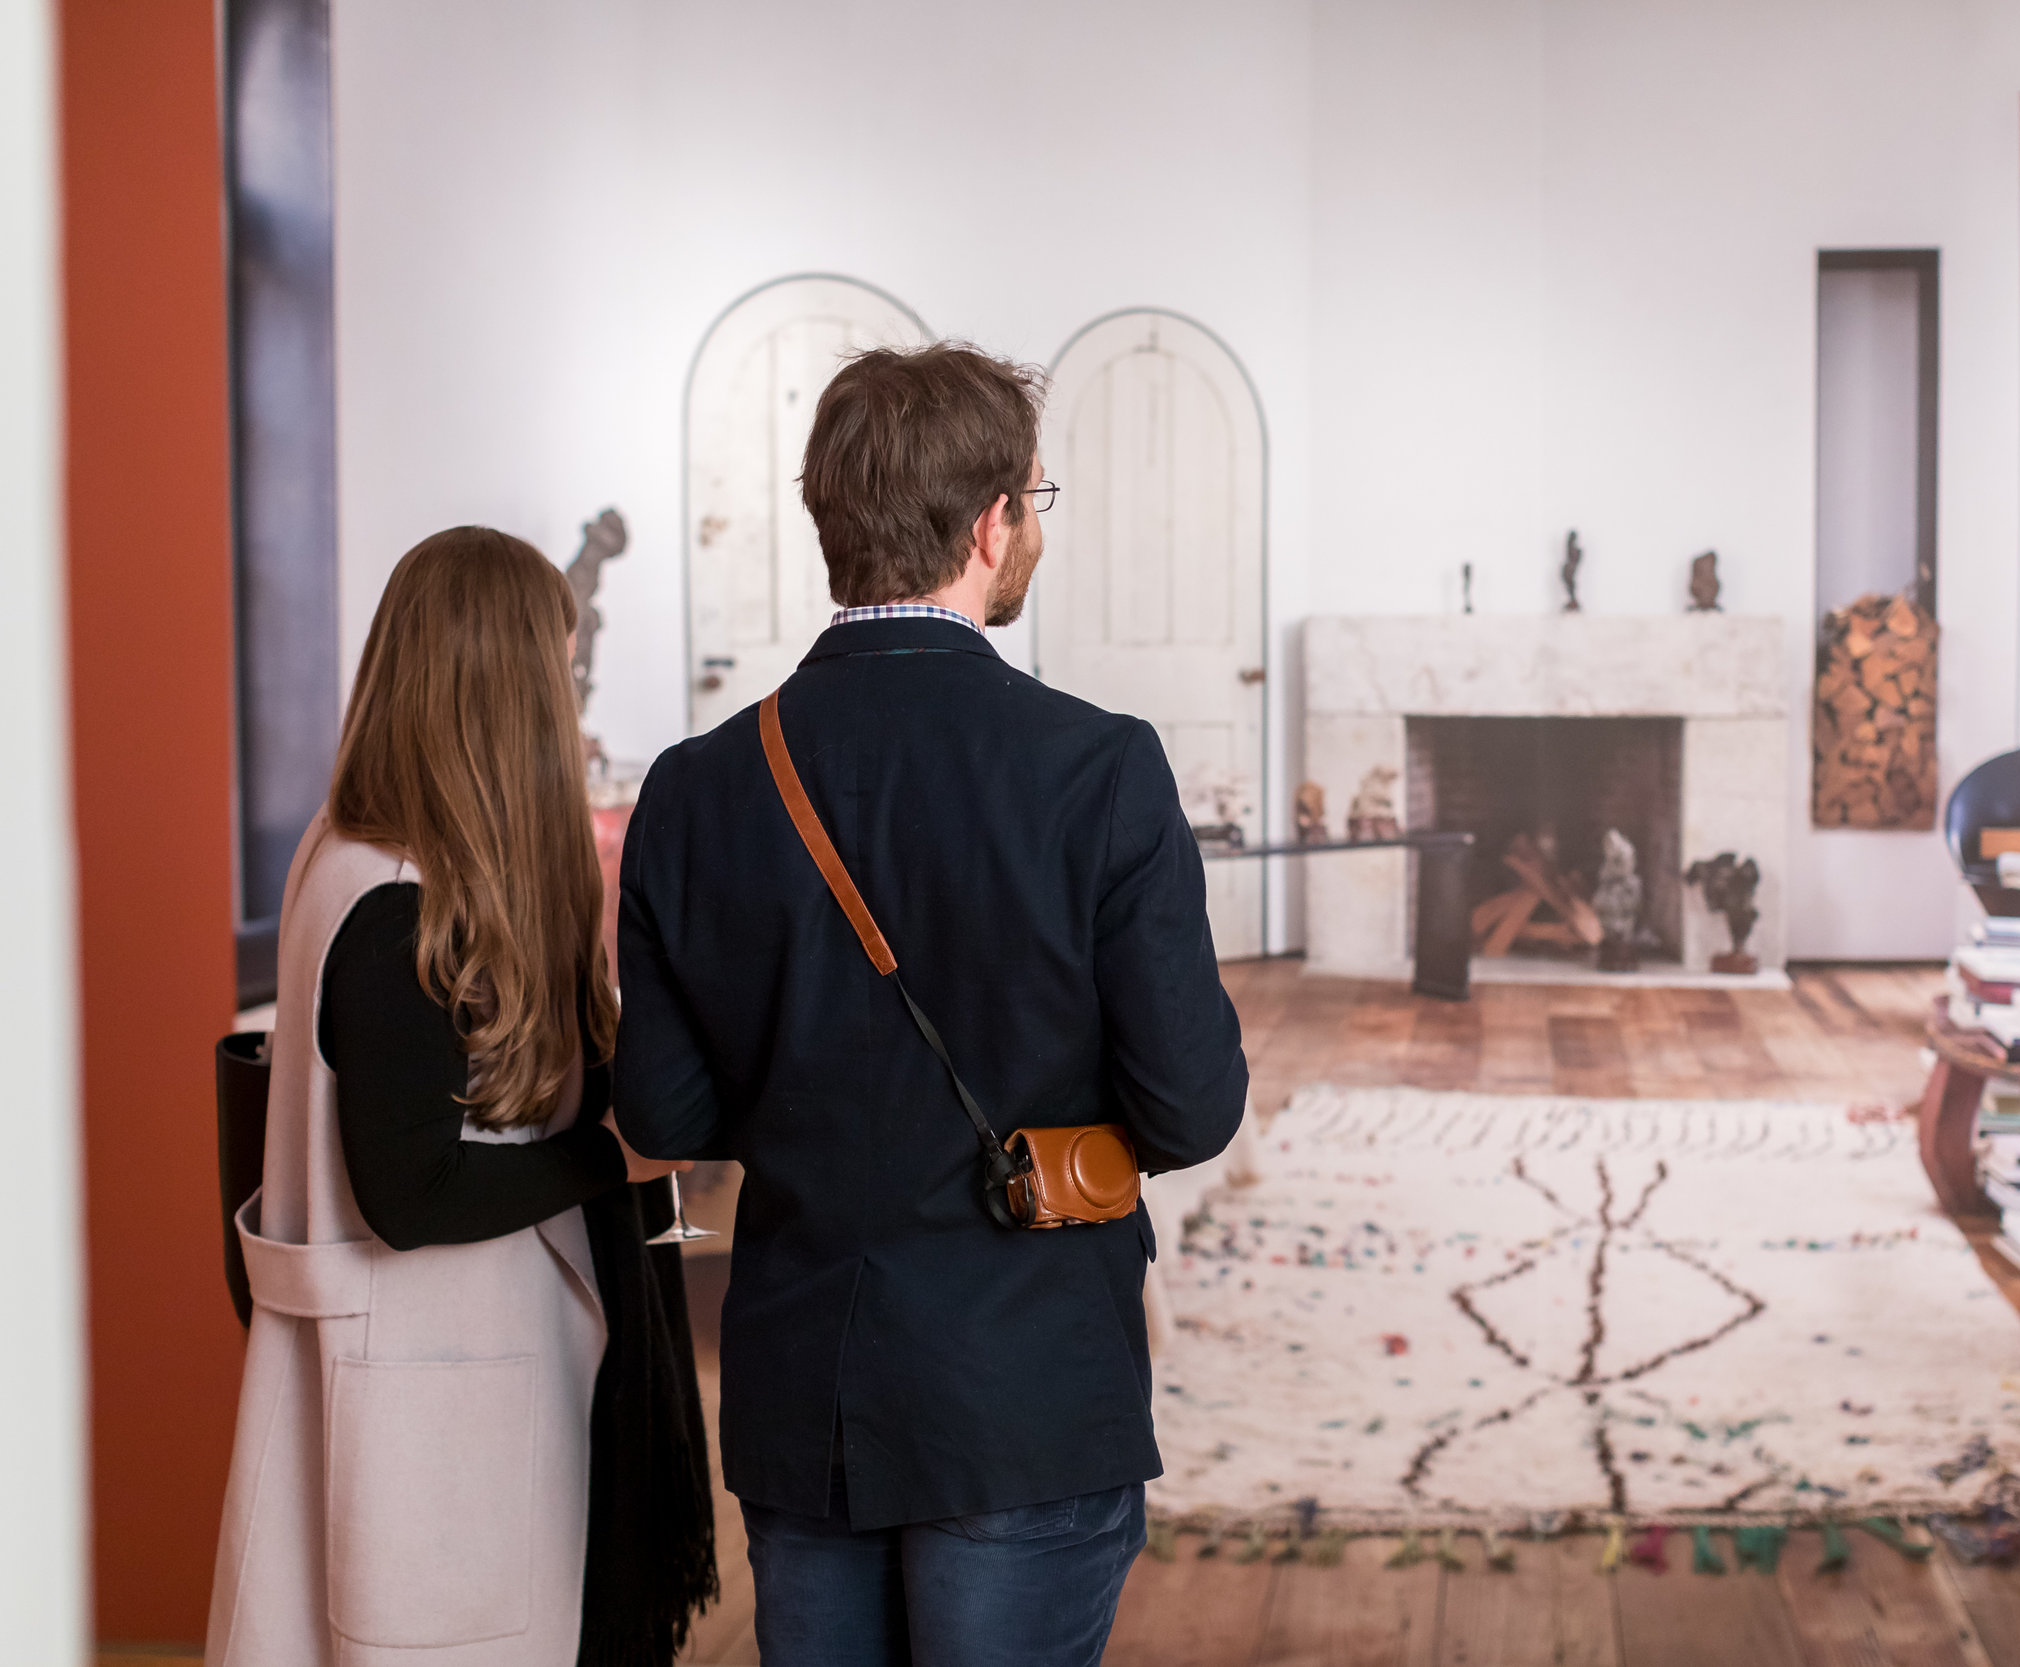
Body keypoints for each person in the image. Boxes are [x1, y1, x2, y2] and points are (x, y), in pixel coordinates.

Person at [615, 343, 1248, 1666]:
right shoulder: (1100, 769)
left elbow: (663, 1113)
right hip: (1024, 1392)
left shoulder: (694, 786)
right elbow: (1190, 1109)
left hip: (805, 1395)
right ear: (991, 522)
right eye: (1035, 499)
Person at [205, 527, 718, 1667]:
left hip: (440, 1382)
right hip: (427, 1395)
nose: (572, 703)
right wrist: (617, 1154)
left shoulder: (361, 852)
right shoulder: (396, 903)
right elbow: (413, 1191)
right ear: (505, 690)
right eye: (562, 670)